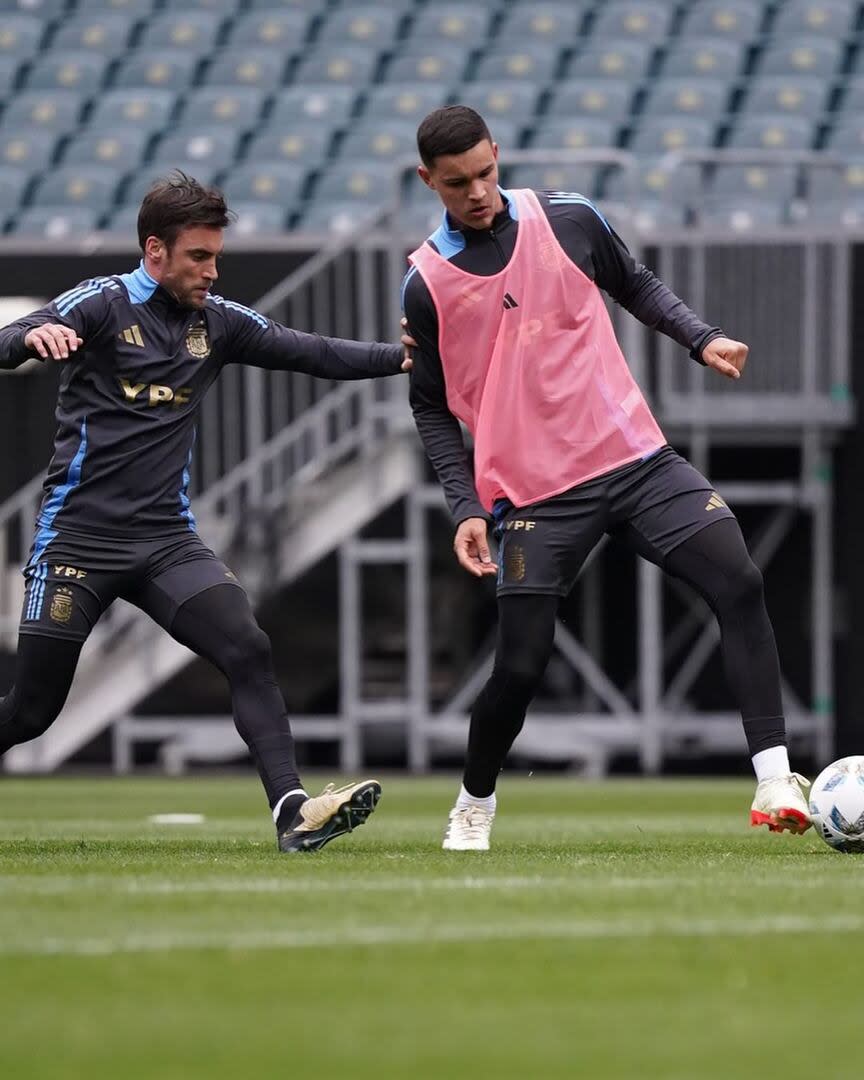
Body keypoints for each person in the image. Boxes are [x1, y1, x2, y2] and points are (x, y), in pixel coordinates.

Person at [401, 106, 810, 851]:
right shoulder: (426, 284)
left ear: (499, 155)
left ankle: (776, 775)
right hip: (536, 495)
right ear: (429, 181)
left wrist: (702, 337)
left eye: (487, 173)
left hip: (635, 458)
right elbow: (430, 407)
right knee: (519, 667)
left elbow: (638, 284)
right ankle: (473, 802)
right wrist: (463, 504)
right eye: (457, 183)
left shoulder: (570, 217)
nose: (478, 192)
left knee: (739, 581)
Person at [0, 171, 411, 853]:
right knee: (32, 712)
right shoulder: (100, 305)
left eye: (216, 256)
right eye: (199, 256)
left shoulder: (216, 324)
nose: (213, 271)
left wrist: (401, 360)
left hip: (166, 542)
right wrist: (30, 339)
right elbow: (14, 334)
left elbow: (310, 352)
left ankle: (292, 812)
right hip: (78, 542)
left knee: (247, 648)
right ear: (154, 250)